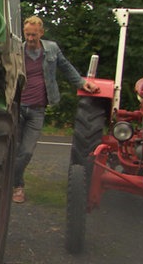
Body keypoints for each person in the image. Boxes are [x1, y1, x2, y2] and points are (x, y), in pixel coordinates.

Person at [13, 15, 99, 203]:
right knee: (14, 149)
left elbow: (66, 67)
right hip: (17, 106)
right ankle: (17, 186)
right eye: (27, 34)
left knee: (26, 151)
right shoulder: (16, 50)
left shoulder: (51, 49)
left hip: (37, 109)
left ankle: (11, 182)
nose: (30, 39)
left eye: (34, 35)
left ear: (41, 33)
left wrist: (83, 83)